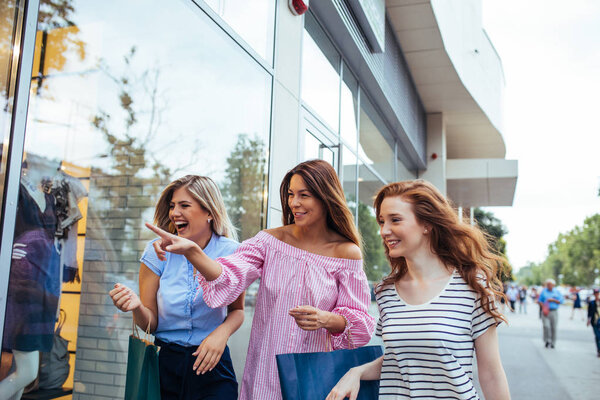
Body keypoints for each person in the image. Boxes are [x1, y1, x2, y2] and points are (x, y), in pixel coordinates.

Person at [147, 159, 375, 400]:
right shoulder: (269, 242)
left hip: (313, 378)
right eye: (290, 194)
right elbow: (229, 276)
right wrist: (193, 252)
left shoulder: (346, 253)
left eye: (304, 195)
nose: (294, 203)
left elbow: (361, 325)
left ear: (325, 197)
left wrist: (327, 319)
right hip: (265, 374)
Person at [326, 180, 510, 400]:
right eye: (382, 221)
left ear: (427, 224)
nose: (384, 231)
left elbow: (491, 373)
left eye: (395, 220)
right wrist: (357, 372)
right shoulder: (385, 291)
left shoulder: (472, 285)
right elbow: (403, 358)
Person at [109, 175, 244, 400]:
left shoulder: (232, 252)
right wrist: (136, 307)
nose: (174, 213)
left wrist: (221, 334)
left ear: (209, 211)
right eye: (172, 206)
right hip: (164, 365)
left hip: (212, 364)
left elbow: (237, 311)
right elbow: (149, 324)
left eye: (184, 205)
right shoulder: (156, 253)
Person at [537, 278, 564, 349]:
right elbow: (539, 301)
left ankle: (553, 342)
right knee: (546, 326)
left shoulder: (556, 292)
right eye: (547, 284)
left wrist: (553, 300)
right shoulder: (544, 292)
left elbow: (561, 301)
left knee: (554, 327)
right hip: (546, 312)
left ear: (553, 285)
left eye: (550, 285)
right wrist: (544, 306)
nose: (549, 286)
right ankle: (547, 340)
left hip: (554, 311)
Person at [586, 288, 600, 357]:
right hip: (594, 321)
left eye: (598, 293)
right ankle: (599, 350)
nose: (597, 295)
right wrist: (588, 320)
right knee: (597, 336)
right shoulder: (591, 302)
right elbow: (589, 313)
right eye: (596, 293)